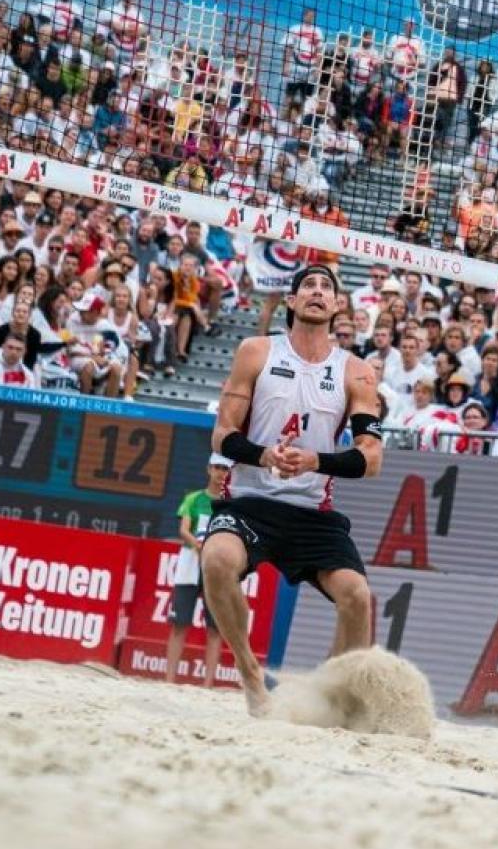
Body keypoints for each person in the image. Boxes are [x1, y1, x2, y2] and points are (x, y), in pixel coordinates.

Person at [203, 264, 384, 715]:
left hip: (311, 511)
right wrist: (265, 455)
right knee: (217, 559)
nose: (318, 292)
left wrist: (313, 460)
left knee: (357, 596)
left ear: (339, 305)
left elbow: (372, 459)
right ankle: (250, 677)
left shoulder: (356, 372)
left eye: (327, 287)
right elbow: (222, 434)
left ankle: (336, 699)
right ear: (292, 301)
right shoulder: (257, 351)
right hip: (251, 501)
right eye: (308, 286)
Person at [167, 456, 228, 688]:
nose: (221, 473)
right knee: (179, 623)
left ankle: (207, 685)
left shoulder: (230, 502)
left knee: (215, 628)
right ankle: (169, 680)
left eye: (225, 469)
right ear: (209, 469)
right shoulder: (193, 498)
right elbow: (183, 529)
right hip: (190, 565)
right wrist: (198, 544)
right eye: (218, 468)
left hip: (217, 570)